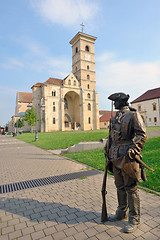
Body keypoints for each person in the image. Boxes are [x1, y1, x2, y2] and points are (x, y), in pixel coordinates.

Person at [104, 92, 146, 233]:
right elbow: (111, 136)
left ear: (122, 102)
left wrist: (135, 148)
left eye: (115, 101)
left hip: (127, 157)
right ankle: (121, 212)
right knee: (119, 185)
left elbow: (141, 134)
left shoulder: (133, 115)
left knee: (130, 187)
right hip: (115, 155)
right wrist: (107, 148)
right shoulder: (114, 117)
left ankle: (134, 219)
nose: (114, 104)